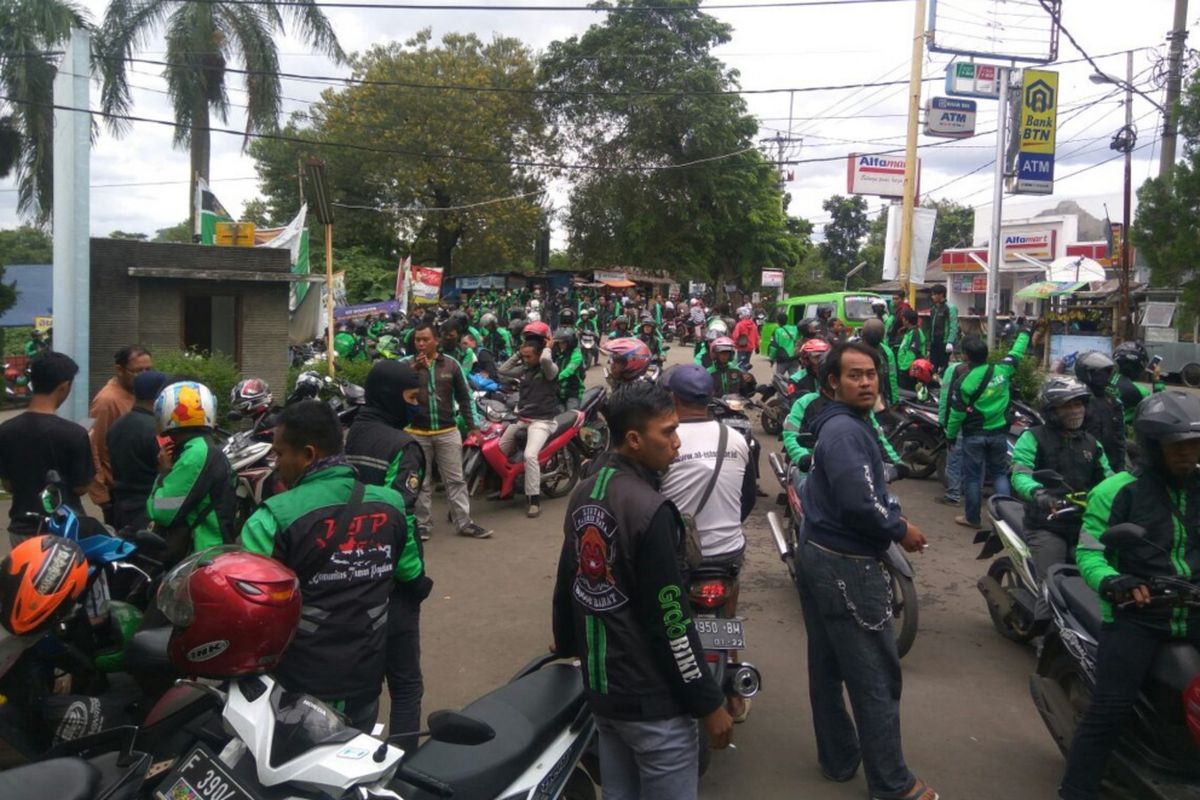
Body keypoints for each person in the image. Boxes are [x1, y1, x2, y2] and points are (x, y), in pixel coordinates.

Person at [551, 381, 732, 799]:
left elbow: (568, 582)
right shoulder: (651, 511)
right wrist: (708, 702)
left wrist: (564, 641)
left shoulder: (583, 493)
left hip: (604, 697)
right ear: (634, 439)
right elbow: (670, 621)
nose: (677, 443)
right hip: (652, 707)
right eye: (667, 432)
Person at [796, 342, 935, 800]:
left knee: (828, 664)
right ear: (833, 381)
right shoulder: (844, 432)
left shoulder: (842, 425)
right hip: (847, 565)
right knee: (875, 676)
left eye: (871, 374)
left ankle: (838, 758)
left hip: (820, 554)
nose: (866, 382)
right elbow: (859, 501)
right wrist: (899, 528)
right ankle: (893, 785)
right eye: (854, 375)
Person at [242, 400, 429, 734]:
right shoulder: (391, 504)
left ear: (308, 455)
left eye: (280, 453)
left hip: (299, 679)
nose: (276, 462)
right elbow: (410, 573)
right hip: (365, 675)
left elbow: (250, 608)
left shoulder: (271, 518)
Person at [1060, 391, 1200, 800]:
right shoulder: (1117, 490)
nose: (1189, 454)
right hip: (1138, 615)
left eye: (1195, 445)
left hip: (1192, 609)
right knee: (1109, 709)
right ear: (1154, 446)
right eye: (1179, 445)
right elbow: (1089, 551)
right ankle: (1075, 789)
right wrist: (1112, 581)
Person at [661, 365, 756, 721]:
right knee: (727, 611)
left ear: (672, 398)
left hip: (677, 553)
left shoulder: (664, 439)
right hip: (727, 552)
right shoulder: (735, 438)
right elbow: (746, 500)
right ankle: (733, 693)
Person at [344, 360, 428, 750]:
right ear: (390, 396)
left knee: (360, 683)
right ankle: (405, 765)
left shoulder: (349, 433)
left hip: (346, 570)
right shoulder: (403, 446)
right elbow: (402, 518)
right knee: (406, 682)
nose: (416, 406)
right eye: (411, 398)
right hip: (392, 579)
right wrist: (414, 577)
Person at [1010, 376, 1112, 578]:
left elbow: (1109, 478)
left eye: (1079, 404)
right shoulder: (1033, 437)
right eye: (1067, 406)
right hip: (1047, 524)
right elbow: (1020, 474)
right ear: (1052, 411)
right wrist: (1039, 494)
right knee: (1051, 587)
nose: (1076, 411)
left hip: (1086, 522)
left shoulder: (1091, 443)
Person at [403, 321, 492, 540]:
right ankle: (423, 524)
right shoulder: (405, 364)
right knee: (421, 481)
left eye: (425, 340)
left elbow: (465, 397)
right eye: (417, 340)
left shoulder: (451, 365)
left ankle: (465, 522)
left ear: (437, 341)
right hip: (416, 433)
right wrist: (413, 370)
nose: (421, 344)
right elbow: (395, 389)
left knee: (455, 479)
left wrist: (474, 427)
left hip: (447, 431)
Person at [945, 326, 1033, 529]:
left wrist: (950, 436)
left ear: (966, 356)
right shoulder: (1002, 370)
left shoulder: (963, 381)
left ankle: (973, 519)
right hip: (999, 434)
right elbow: (1016, 352)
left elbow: (956, 414)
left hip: (973, 436)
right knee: (1000, 474)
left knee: (974, 478)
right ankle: (1005, 520)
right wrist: (1025, 332)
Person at [0, 352, 94, 543]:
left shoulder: (6, 431)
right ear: (64, 386)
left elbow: (8, 485)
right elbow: (81, 487)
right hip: (63, 530)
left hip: (21, 528)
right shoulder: (74, 433)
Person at [146, 381, 238, 558]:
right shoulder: (202, 447)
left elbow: (162, 511)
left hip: (203, 555)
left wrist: (163, 473)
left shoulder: (195, 455)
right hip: (209, 550)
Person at [498, 322, 562, 519]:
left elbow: (544, 360)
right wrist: (519, 353)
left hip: (542, 422)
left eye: (528, 356)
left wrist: (547, 348)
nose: (525, 360)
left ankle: (533, 500)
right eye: (523, 357)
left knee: (530, 456)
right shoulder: (524, 369)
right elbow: (503, 369)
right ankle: (507, 486)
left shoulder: (549, 370)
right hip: (523, 419)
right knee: (500, 447)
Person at [88, 346, 154, 523]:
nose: (145, 375)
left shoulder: (139, 393)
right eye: (139, 371)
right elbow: (92, 446)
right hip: (119, 493)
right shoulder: (107, 401)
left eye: (149, 369)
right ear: (119, 370)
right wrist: (101, 496)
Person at [107, 370, 169, 531]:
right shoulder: (158, 430)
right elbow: (169, 470)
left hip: (120, 507)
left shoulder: (117, 425)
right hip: (149, 508)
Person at [1074, 351, 1126, 472]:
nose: (1106, 376)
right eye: (1101, 373)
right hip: (1085, 464)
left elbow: (1120, 437)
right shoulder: (1077, 401)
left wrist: (1121, 468)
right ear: (1087, 374)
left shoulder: (1113, 401)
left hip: (1112, 464)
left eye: (1108, 372)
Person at [1111, 341, 1165, 426]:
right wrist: (1157, 379)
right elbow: (1159, 408)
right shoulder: (1141, 391)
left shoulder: (1104, 380)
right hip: (1125, 435)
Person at [861, 319, 899, 408]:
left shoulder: (855, 349)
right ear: (882, 336)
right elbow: (891, 377)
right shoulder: (887, 352)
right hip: (878, 398)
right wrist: (894, 401)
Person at [925, 285, 958, 374]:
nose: (932, 297)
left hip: (944, 342)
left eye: (934, 294)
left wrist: (950, 341)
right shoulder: (933, 309)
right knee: (933, 366)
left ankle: (944, 385)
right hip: (934, 341)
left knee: (943, 367)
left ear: (941, 295)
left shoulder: (950, 308)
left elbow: (953, 325)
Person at [553, 327, 585, 411]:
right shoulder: (560, 355)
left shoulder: (576, 355)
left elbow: (569, 370)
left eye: (563, 343)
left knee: (572, 415)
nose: (560, 345)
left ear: (570, 342)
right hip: (558, 392)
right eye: (559, 343)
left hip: (573, 392)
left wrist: (556, 377)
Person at [895, 309, 926, 390]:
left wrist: (903, 368)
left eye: (903, 319)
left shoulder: (915, 333)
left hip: (909, 370)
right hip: (906, 368)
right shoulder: (909, 332)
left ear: (907, 321)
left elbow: (912, 353)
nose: (902, 321)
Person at [767, 311, 800, 376]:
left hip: (782, 360)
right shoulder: (795, 329)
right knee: (794, 379)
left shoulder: (777, 331)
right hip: (794, 358)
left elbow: (773, 347)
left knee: (778, 380)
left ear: (778, 321)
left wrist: (772, 359)